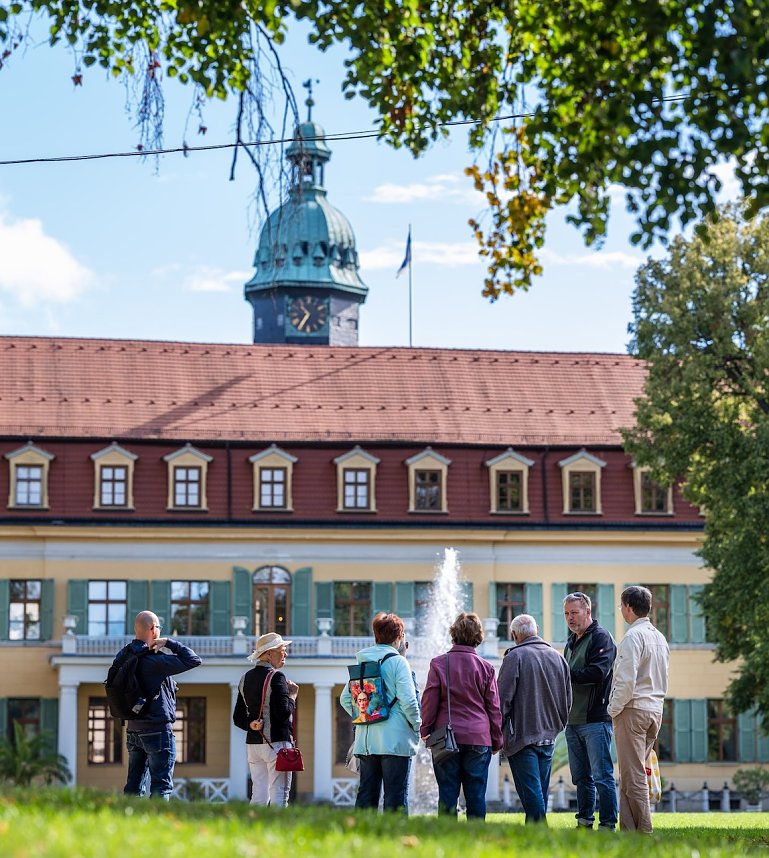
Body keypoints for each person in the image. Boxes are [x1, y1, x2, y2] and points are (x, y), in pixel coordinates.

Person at [420, 612, 503, 821]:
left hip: (446, 736)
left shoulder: (439, 664)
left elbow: (429, 700)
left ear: (454, 634)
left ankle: (448, 841)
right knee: (476, 794)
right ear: (478, 636)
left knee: (447, 793)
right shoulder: (486, 667)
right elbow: (493, 707)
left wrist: (425, 730)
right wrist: (496, 740)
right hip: (478, 737)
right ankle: (475, 841)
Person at [113, 610, 202, 800]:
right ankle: (157, 823)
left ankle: (128, 821)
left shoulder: (124, 656)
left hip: (133, 730)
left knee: (133, 785)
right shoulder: (154, 660)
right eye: (159, 628)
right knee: (161, 786)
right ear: (153, 629)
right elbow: (193, 660)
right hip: (157, 730)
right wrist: (170, 643)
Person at [340, 612, 421, 812]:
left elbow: (345, 698)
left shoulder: (363, 660)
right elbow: (409, 701)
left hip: (366, 741)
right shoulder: (398, 662)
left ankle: (362, 836)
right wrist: (418, 725)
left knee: (366, 794)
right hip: (395, 740)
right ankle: (395, 839)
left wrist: (365, 713)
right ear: (398, 636)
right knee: (395, 796)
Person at [497, 614, 572, 824]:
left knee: (531, 795)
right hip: (548, 736)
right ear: (536, 630)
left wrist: (498, 732)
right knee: (536, 792)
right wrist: (557, 726)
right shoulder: (558, 657)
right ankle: (535, 838)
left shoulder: (515, 657)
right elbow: (568, 700)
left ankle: (541, 832)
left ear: (514, 635)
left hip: (522, 736)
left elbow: (501, 701)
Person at [608, 586, 670, 833]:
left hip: (633, 711)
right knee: (629, 772)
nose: (621, 610)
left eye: (622, 605)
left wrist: (612, 709)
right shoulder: (660, 637)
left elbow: (625, 681)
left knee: (633, 776)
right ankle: (628, 830)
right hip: (655, 709)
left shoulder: (633, 637)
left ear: (629, 607)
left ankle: (644, 832)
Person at [562, 591, 618, 831]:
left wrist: (564, 674)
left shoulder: (601, 637)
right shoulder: (571, 641)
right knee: (580, 777)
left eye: (574, 612)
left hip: (595, 719)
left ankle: (607, 825)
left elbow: (598, 672)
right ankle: (584, 822)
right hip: (573, 720)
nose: (570, 618)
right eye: (566, 614)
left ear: (588, 611)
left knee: (602, 777)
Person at [233, 632, 298, 807]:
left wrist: (251, 725)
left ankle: (254, 828)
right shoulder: (277, 677)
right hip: (276, 744)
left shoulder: (244, 678)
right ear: (269, 654)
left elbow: (237, 718)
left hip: (253, 745)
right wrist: (292, 697)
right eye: (282, 650)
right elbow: (283, 714)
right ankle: (277, 830)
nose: (285, 654)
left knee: (259, 792)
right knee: (279, 792)